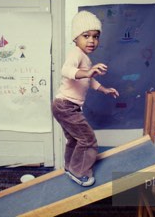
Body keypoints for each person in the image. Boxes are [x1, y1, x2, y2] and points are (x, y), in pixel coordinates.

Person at [51, 10, 119, 187]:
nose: (91, 41)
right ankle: (79, 171)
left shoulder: (85, 58)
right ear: (75, 38)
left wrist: (104, 89)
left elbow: (89, 80)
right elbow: (66, 70)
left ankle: (70, 166)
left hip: (65, 106)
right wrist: (88, 71)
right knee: (88, 140)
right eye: (86, 36)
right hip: (65, 105)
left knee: (75, 138)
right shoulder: (75, 53)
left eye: (95, 37)